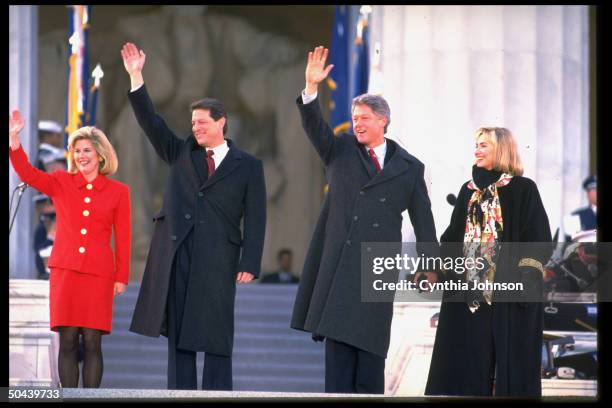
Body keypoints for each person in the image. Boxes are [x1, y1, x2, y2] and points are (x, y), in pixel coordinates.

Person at [290, 46, 438, 394]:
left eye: (364, 118)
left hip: (378, 268)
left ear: (383, 120)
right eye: (355, 118)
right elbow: (313, 125)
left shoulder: (409, 167)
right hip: (340, 267)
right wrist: (311, 90)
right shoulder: (338, 149)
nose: (357, 123)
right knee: (339, 366)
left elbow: (423, 221)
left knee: (371, 361)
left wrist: (430, 266)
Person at [121, 42, 267, 391]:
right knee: (179, 331)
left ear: (221, 123)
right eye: (193, 123)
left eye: (202, 122)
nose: (196, 128)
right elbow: (150, 122)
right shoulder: (180, 152)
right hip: (179, 253)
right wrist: (136, 77)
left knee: (217, 330)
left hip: (221, 255)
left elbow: (257, 215)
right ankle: (180, 393)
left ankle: (218, 395)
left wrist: (251, 260)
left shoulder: (248, 165)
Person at [425, 127, 552, 397]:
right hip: (469, 295)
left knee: (507, 370)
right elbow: (451, 240)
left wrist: (527, 274)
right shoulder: (467, 191)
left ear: (501, 150)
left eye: (484, 145)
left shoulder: (523, 189)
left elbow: (538, 236)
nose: (477, 150)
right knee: (466, 367)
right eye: (476, 145)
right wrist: (437, 270)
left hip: (510, 295)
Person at [9, 110, 131, 388]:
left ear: (100, 154)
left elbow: (123, 237)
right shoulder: (62, 182)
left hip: (99, 274)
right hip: (65, 271)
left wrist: (121, 276)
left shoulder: (118, 191)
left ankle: (91, 398)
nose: (81, 155)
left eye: (87, 150)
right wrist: (14, 140)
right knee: (66, 340)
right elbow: (28, 173)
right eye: (76, 150)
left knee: (91, 341)